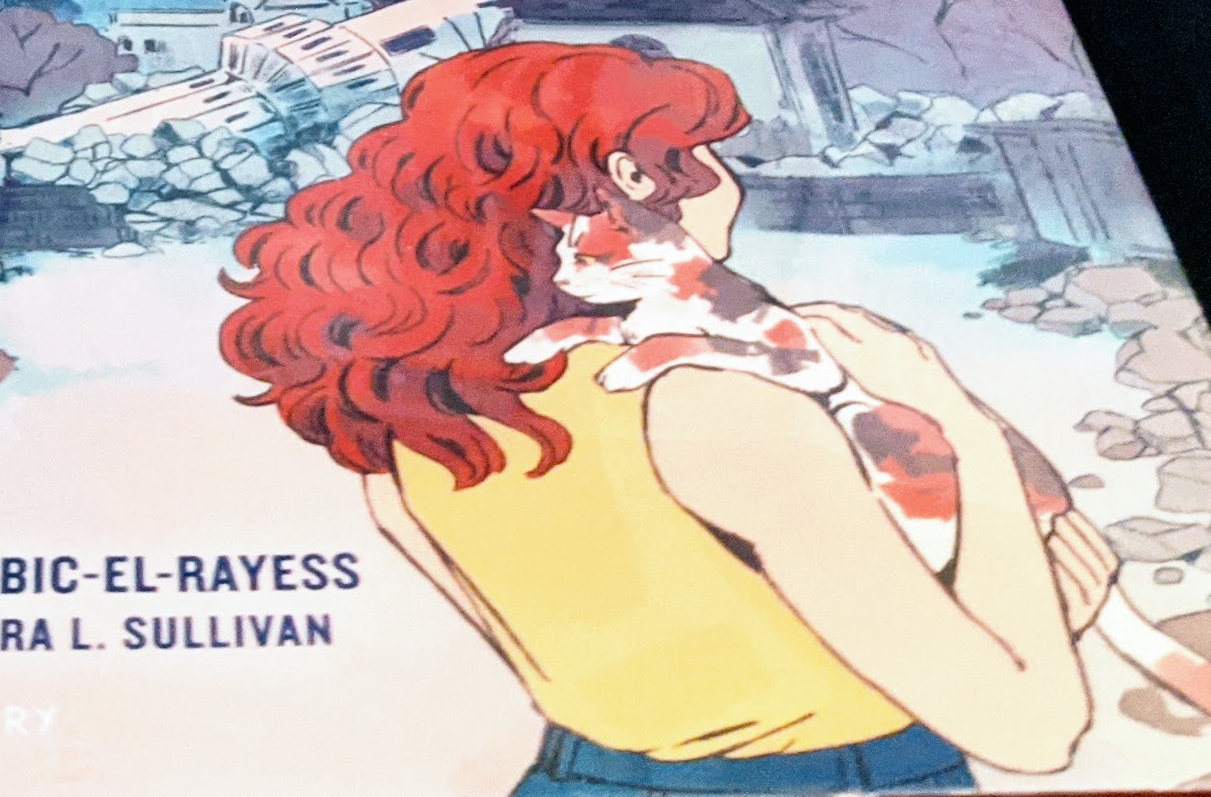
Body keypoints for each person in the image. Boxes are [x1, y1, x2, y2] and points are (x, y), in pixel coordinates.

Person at [220, 45, 1114, 794]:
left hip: (576, 777)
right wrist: (958, 422)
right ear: (633, 173)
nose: (732, 182)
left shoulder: (414, 420)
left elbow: (603, 661)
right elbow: (1032, 731)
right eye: (715, 153)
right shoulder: (707, 401)